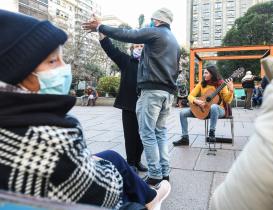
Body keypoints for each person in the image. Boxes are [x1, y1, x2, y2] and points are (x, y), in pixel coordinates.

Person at [0, 9, 170, 210]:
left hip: (143, 102)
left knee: (140, 137)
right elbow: (100, 190)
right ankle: (138, 174)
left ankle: (145, 182)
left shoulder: (147, 64)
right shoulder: (48, 136)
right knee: (130, 137)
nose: (66, 69)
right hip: (127, 104)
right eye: (53, 61)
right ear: (19, 73)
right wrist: (102, 32)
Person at [210, 33, 273, 210]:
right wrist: (196, 99)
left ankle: (215, 129)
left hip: (221, 108)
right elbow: (193, 93)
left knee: (216, 107)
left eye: (206, 72)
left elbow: (226, 204)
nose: (204, 74)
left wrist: (229, 89)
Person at [83, 8, 180, 186]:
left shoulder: (156, 32)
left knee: (147, 133)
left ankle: (155, 174)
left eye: (152, 20)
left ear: (157, 20)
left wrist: (101, 26)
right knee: (159, 133)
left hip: (151, 93)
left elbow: (129, 34)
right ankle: (164, 172)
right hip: (166, 93)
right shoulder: (173, 41)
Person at [98, 32, 147, 173]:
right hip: (129, 104)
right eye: (136, 46)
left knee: (143, 135)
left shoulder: (150, 63)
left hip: (145, 104)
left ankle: (137, 160)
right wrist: (102, 36)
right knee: (130, 135)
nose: (139, 48)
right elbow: (111, 51)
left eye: (141, 46)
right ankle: (130, 162)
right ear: (132, 48)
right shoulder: (126, 61)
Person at [173, 66, 234, 146]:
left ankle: (211, 133)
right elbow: (190, 96)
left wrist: (231, 90)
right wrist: (196, 101)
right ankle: (185, 138)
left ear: (212, 74)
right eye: (203, 73)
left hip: (219, 110)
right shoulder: (202, 84)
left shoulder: (221, 84)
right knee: (182, 113)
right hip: (203, 109)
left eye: (206, 73)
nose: (204, 75)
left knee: (214, 107)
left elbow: (227, 100)